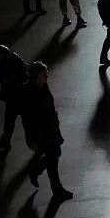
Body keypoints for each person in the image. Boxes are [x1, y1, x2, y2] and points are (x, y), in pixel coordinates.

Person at [21, 61, 73, 200]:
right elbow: (26, 118)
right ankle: (55, 188)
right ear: (36, 76)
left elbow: (48, 103)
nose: (47, 77)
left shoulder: (44, 86)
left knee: (53, 156)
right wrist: (30, 139)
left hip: (50, 127)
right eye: (44, 74)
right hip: (41, 131)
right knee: (54, 155)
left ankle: (37, 172)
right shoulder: (28, 93)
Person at [0, 44, 28, 149]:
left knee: (27, 123)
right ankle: (5, 141)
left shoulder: (14, 62)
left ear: (3, 54)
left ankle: (38, 142)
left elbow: (17, 79)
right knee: (9, 122)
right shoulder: (3, 61)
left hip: (20, 98)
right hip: (13, 97)